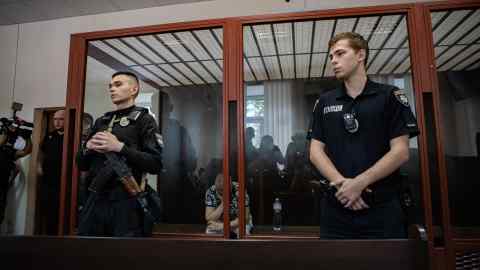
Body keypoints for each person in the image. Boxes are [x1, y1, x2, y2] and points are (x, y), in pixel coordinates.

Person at [309, 32, 419, 239]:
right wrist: (344, 186)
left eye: (340, 53)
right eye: (331, 56)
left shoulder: (390, 96)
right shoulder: (324, 101)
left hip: (382, 207)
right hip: (337, 207)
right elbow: (315, 152)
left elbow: (401, 151)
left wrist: (360, 183)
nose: (333, 61)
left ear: (361, 55)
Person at [76, 71, 163, 237]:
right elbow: (81, 164)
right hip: (95, 199)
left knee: (124, 257)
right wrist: (87, 147)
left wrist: (119, 148)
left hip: (126, 201)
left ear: (134, 90)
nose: (112, 89)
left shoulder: (144, 120)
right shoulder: (102, 121)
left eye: (118, 84)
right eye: (110, 86)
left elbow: (155, 164)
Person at [0, 116, 32, 227]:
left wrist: (28, 138)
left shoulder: (9, 151)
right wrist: (6, 131)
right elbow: (1, 142)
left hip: (2, 185)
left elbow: (26, 151)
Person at [37, 109, 65, 235]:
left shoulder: (71, 136)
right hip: (48, 181)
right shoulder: (49, 136)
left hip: (63, 181)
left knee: (61, 212)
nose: (57, 122)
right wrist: (39, 166)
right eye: (55, 119)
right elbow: (41, 153)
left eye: (60, 119)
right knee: (48, 212)